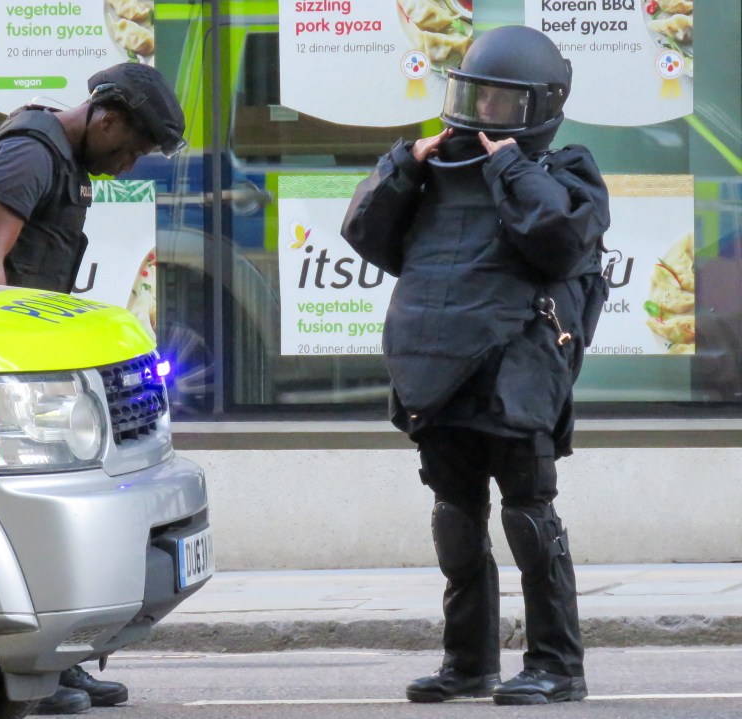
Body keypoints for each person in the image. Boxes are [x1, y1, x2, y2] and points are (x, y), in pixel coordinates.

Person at [340, 26, 610, 706]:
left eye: (501, 104)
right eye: (476, 97)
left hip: (515, 373)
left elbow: (555, 242)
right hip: (440, 372)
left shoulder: (568, 174)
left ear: (539, 108)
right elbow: (366, 233)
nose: (484, 115)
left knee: (528, 516)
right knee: (456, 519)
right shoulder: (435, 173)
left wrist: (513, 168)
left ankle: (557, 664)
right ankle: (468, 662)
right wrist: (405, 162)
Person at [0, 62, 186, 715]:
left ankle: (58, 666)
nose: (131, 164)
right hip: (2, 371)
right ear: (106, 117)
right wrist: (8, 365)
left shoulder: (62, 158)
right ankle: (35, 674)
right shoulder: (30, 155)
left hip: (26, 364)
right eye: (132, 147)